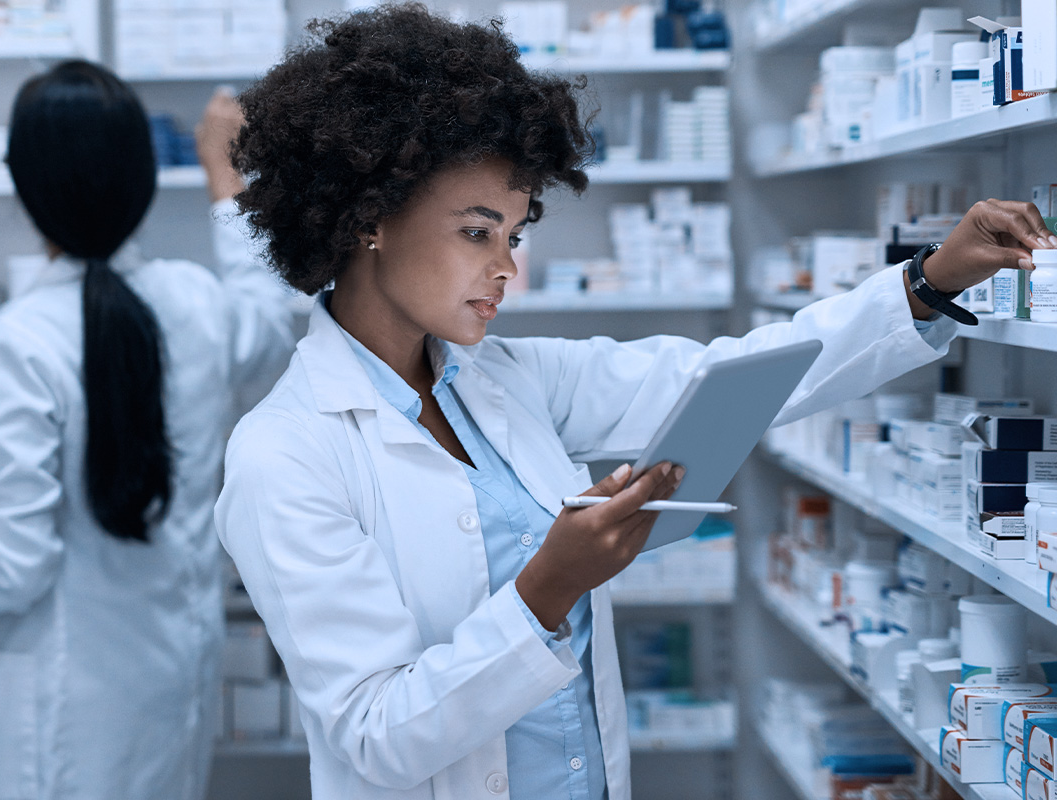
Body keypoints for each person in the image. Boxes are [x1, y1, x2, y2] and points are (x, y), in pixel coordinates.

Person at [213, 6, 1057, 800]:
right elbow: (375, 732)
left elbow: (741, 375)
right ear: (370, 220)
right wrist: (548, 586)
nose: (507, 267)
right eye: (477, 232)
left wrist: (927, 280)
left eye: (514, 233)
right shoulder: (283, 454)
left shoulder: (506, 381)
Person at [0, 61, 295, 800]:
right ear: (142, 178)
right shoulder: (196, 305)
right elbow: (270, 311)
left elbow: (3, 568)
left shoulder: (18, 342)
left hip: (48, 718)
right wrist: (223, 172)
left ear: (24, 187)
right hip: (162, 686)